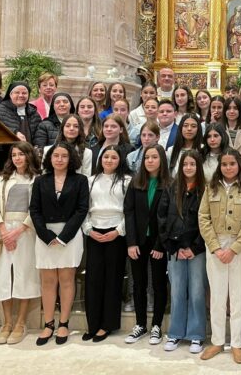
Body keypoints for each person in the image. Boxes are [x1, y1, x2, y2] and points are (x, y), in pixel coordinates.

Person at [30, 142, 90, 346]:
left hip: (70, 235)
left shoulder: (80, 180)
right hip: (44, 235)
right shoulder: (40, 181)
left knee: (66, 279)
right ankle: (48, 324)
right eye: (56, 155)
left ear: (70, 158)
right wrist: (46, 236)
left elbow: (82, 210)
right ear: (50, 158)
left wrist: (64, 236)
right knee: (47, 281)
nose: (60, 159)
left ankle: (64, 323)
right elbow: (34, 210)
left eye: (64, 156)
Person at [198, 148, 241, 363]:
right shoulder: (210, 188)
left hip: (240, 247)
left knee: (238, 297)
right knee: (218, 296)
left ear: (239, 164)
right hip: (216, 246)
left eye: (232, 163)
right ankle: (218, 341)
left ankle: (237, 344)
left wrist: (234, 248)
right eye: (224, 164)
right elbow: (203, 217)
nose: (228, 167)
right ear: (219, 167)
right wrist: (216, 247)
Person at [0, 141, 41, 345]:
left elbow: (37, 209)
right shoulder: (2, 179)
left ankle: (20, 323)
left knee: (24, 275)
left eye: (21, 154)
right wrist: (3, 231)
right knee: (3, 278)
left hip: (26, 232)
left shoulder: (37, 179)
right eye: (14, 155)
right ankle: (7, 323)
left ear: (29, 156)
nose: (17, 158)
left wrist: (18, 230)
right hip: (4, 230)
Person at [157, 150, 207, 354]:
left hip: (196, 250)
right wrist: (174, 247)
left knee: (196, 292)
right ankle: (175, 333)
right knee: (177, 292)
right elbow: (161, 218)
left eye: (192, 164)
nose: (188, 167)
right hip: (175, 250)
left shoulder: (205, 189)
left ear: (198, 167)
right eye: (185, 164)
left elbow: (206, 222)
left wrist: (193, 248)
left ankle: (196, 335)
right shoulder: (171, 188)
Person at [82, 145, 130, 342]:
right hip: (94, 232)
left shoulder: (127, 181)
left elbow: (130, 210)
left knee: (113, 279)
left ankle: (107, 324)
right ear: (100, 159)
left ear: (120, 160)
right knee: (93, 279)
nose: (109, 160)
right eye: (106, 157)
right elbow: (84, 208)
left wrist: (118, 231)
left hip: (116, 233)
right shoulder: (90, 181)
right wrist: (88, 230)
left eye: (114, 157)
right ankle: (93, 323)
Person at [124, 144, 169, 346]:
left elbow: (168, 217)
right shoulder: (136, 182)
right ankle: (140, 324)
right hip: (138, 242)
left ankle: (157, 326)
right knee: (139, 283)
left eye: (154, 157)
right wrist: (131, 242)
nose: (150, 160)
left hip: (158, 243)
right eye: (147, 157)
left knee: (159, 284)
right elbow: (129, 213)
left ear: (161, 160)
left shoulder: (169, 184)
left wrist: (160, 245)